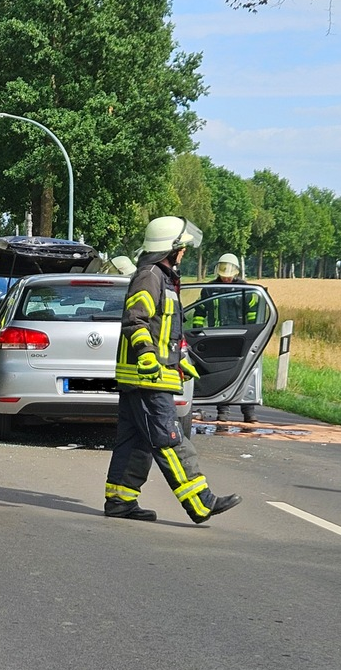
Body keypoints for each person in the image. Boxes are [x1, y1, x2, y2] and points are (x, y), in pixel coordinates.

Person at [104, 216, 242, 524]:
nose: (184, 253)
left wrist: (179, 359)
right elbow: (136, 320)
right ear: (171, 248)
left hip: (148, 376)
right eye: (182, 248)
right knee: (169, 438)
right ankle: (200, 501)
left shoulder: (162, 277)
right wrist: (147, 356)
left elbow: (164, 327)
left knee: (136, 441)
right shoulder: (150, 276)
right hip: (147, 377)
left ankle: (119, 500)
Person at [191, 253, 260, 423]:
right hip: (218, 336)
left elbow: (253, 314)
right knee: (221, 373)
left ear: (236, 272)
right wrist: (197, 332)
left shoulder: (245, 289)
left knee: (245, 371)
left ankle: (249, 412)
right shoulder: (209, 288)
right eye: (223, 275)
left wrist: (254, 335)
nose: (226, 279)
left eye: (229, 275)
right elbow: (200, 312)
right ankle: (223, 412)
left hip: (241, 337)